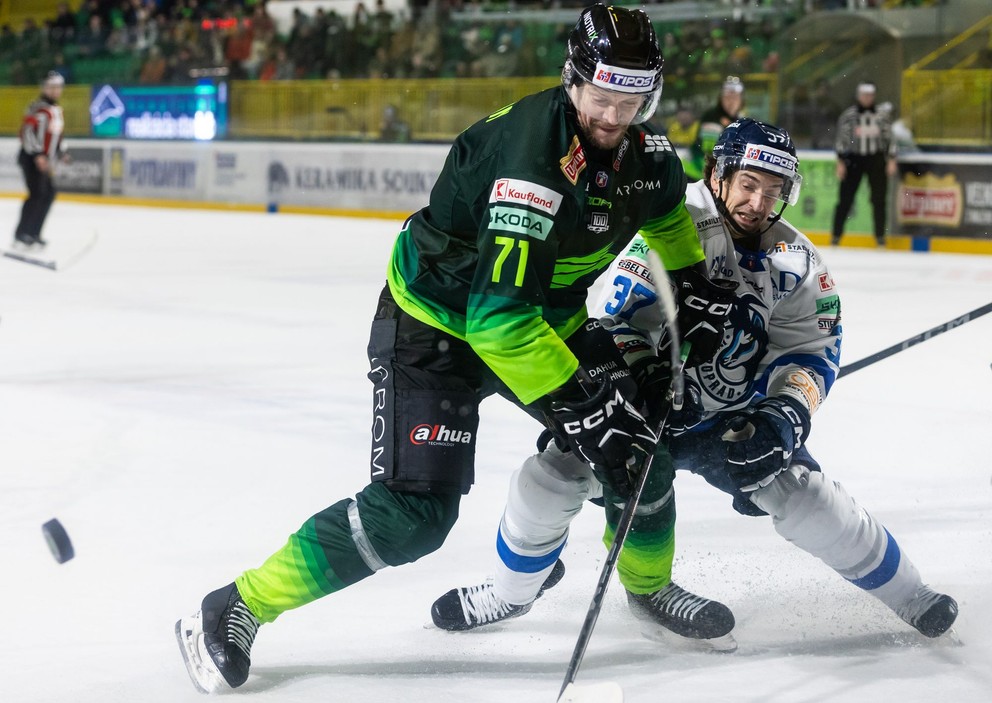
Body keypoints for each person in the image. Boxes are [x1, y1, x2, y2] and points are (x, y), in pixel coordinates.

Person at [176, 5, 735, 693]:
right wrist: (585, 403)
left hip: (541, 318)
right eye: (602, 96)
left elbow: (669, 217)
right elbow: (497, 324)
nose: (615, 116)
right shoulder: (531, 160)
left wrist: (696, 288)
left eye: (633, 100)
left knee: (638, 450)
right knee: (412, 517)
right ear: (573, 78)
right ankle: (236, 604)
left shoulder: (646, 156)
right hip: (437, 326)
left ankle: (647, 589)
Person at [431, 118, 958, 646]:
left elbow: (812, 353)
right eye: (748, 184)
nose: (759, 203)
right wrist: (649, 378)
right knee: (549, 480)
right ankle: (511, 592)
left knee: (806, 496)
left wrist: (783, 416)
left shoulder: (797, 262)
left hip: (729, 423)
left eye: (773, 191)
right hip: (639, 411)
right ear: (718, 175)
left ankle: (912, 596)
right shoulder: (672, 220)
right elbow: (614, 321)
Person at [832, 82, 897, 247]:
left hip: (876, 159)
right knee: (845, 198)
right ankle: (836, 235)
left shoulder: (882, 115)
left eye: (870, 95)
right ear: (859, 96)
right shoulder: (849, 115)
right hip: (854, 159)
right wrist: (840, 162)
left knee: (879, 199)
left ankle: (880, 237)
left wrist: (891, 159)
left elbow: (890, 138)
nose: (867, 98)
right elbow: (841, 139)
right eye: (864, 95)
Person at [13, 71, 68, 249]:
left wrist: (61, 152)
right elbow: (28, 132)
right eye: (51, 87)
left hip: (44, 159)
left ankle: (34, 233)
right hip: (32, 158)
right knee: (37, 194)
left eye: (58, 87)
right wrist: (38, 154)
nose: (55, 91)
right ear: (44, 88)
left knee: (48, 193)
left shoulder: (55, 110)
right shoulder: (37, 108)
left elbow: (55, 135)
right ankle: (22, 234)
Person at [685, 75, 744, 181]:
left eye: (735, 97)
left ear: (741, 100)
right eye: (728, 97)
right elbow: (708, 153)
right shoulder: (712, 118)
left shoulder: (739, 119)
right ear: (721, 98)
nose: (732, 101)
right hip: (700, 175)